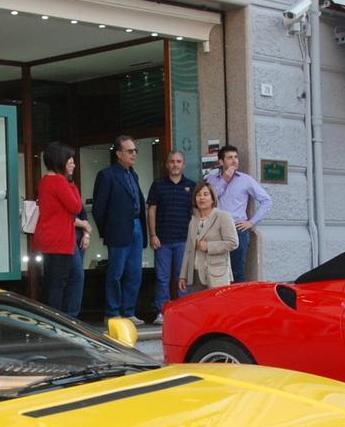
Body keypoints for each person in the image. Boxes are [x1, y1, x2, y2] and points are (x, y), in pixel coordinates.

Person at [91, 135, 146, 321]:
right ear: (119, 153)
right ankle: (112, 312)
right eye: (130, 151)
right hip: (118, 229)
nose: (134, 154)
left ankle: (129, 311)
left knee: (135, 272)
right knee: (116, 273)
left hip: (136, 225)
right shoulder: (107, 175)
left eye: (135, 150)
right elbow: (99, 208)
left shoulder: (133, 174)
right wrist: (106, 232)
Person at [33, 141, 90, 314]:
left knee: (61, 281)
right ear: (60, 160)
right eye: (69, 159)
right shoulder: (59, 180)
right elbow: (76, 207)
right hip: (60, 240)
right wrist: (71, 183)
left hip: (53, 239)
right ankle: (61, 322)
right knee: (58, 284)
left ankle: (64, 320)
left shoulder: (45, 180)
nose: (73, 163)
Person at [204, 144, 272, 282]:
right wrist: (224, 180)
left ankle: (239, 303)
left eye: (236, 157)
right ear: (221, 162)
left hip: (237, 230)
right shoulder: (211, 180)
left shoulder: (245, 179)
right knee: (217, 272)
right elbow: (209, 200)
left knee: (238, 272)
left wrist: (251, 222)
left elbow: (267, 200)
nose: (234, 161)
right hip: (216, 230)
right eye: (230, 158)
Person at [148, 150, 197, 324]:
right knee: (162, 278)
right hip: (162, 240)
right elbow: (151, 210)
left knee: (182, 277)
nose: (175, 164)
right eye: (172, 161)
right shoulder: (158, 185)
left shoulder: (192, 186)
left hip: (184, 240)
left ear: (183, 165)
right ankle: (163, 312)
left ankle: (183, 313)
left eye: (178, 162)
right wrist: (153, 234)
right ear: (167, 164)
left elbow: (196, 214)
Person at [178, 181, 238, 295]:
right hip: (196, 275)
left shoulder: (223, 216)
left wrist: (209, 246)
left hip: (217, 275)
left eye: (206, 194)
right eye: (198, 195)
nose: (202, 198)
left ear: (213, 198)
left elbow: (233, 243)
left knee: (218, 309)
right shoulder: (193, 220)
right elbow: (188, 250)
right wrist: (183, 276)